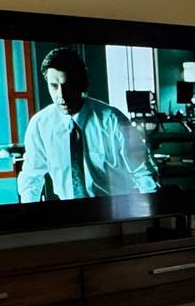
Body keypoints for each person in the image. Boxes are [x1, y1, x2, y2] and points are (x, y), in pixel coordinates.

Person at [16, 46, 159, 201]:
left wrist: (147, 214)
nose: (61, 96)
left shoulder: (113, 120)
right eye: (54, 86)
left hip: (115, 211)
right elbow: (31, 178)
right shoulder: (40, 124)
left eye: (67, 85)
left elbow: (144, 172)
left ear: (81, 84)